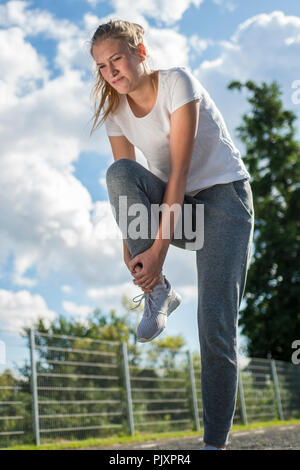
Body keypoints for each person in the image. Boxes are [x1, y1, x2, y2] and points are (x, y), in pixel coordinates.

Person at [89, 19, 254, 451]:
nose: (111, 72)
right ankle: (160, 292)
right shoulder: (116, 114)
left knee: (214, 325)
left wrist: (158, 248)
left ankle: (214, 445)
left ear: (140, 53)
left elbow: (179, 172)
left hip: (224, 202)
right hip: (176, 210)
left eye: (117, 59)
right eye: (102, 67)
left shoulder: (178, 83)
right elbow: (126, 186)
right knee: (119, 170)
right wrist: (134, 252)